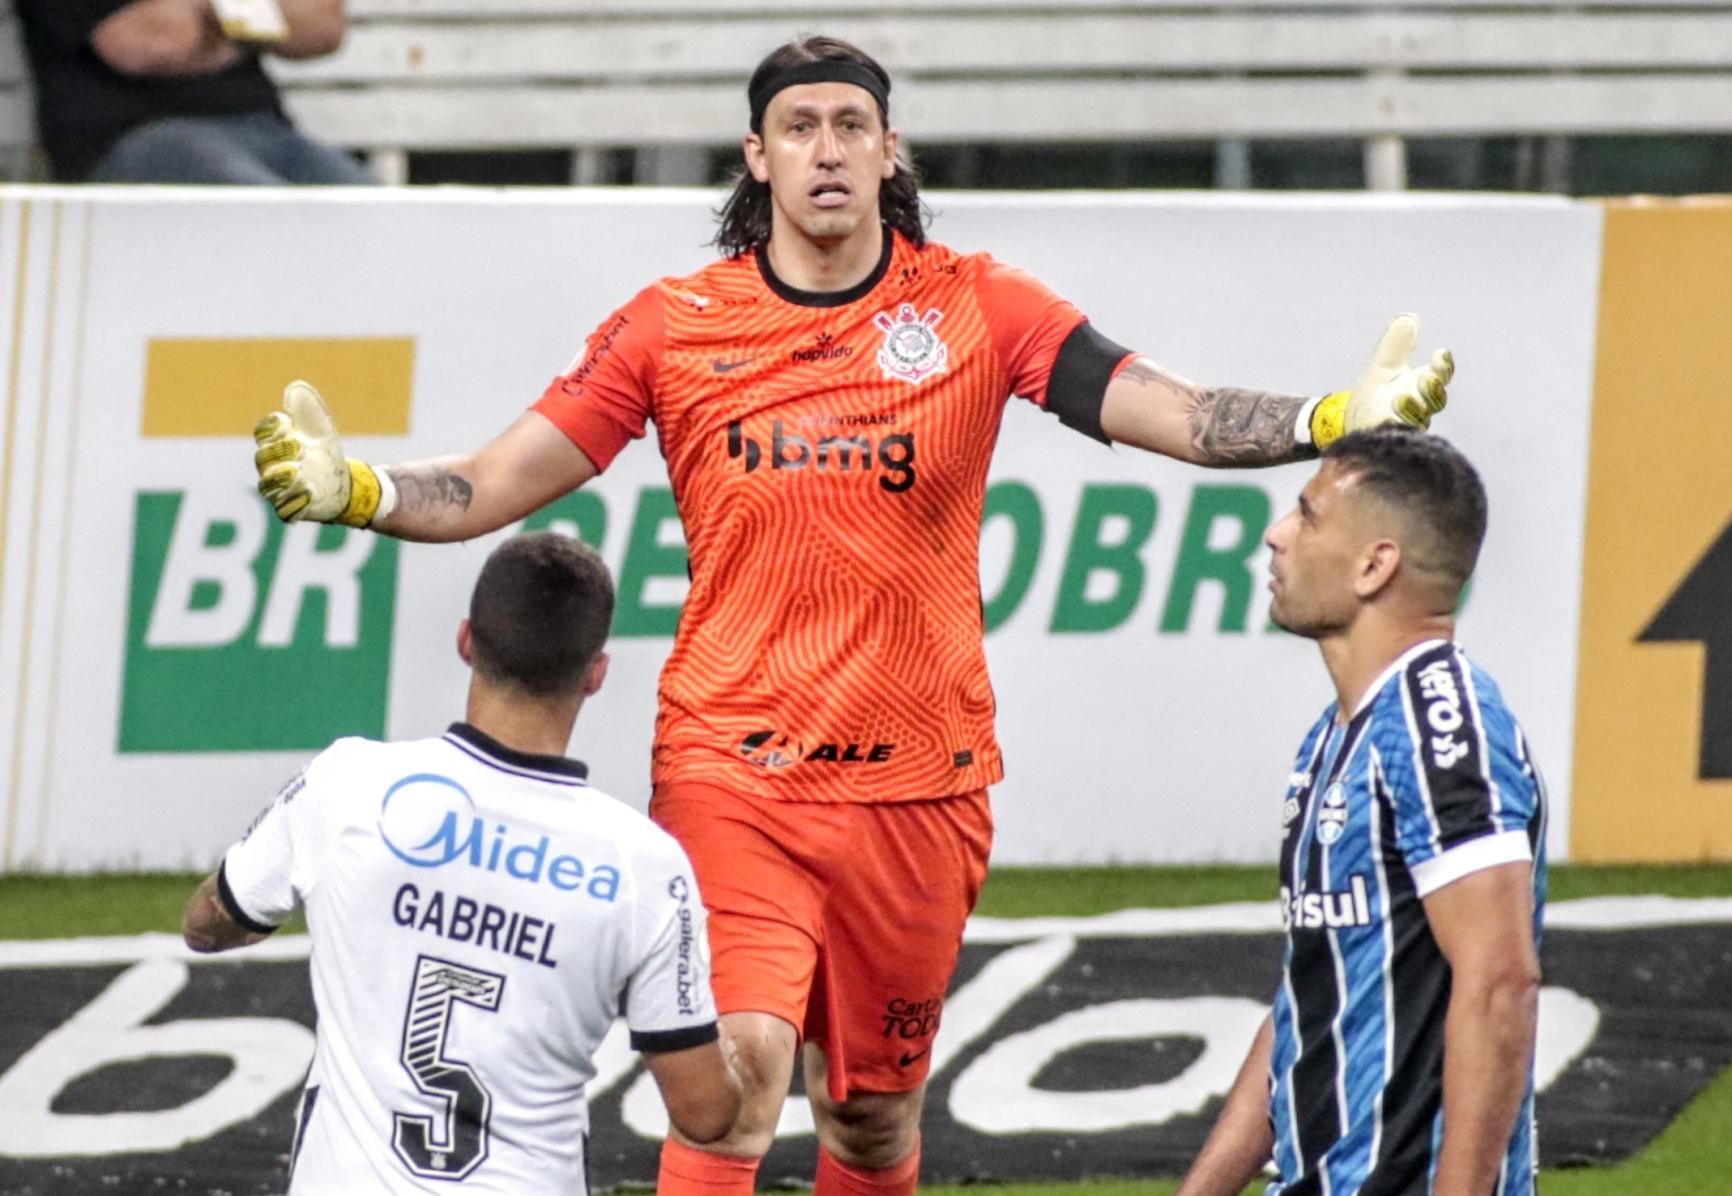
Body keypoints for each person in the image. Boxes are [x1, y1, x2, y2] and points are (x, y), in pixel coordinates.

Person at [247, 35, 1455, 1196]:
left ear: (890, 154)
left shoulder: (980, 308)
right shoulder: (673, 327)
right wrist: (359, 490)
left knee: (869, 1116)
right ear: (755, 158)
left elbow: (1176, 412)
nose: (826, 148)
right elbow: (493, 484)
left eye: (850, 126)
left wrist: (1327, 418)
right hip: (735, 771)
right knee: (735, 1083)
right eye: (798, 127)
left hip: (920, 788)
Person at [180, 533, 740, 1193]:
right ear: (596, 673)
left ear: (467, 640)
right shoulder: (643, 866)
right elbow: (707, 1114)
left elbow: (207, 922)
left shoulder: (349, 784)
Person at [1177, 427, 1547, 1196]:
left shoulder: (1441, 726)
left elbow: (1500, 980)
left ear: (1377, 564)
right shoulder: (1339, 733)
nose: (1276, 536)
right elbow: (1311, 997)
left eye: (1307, 516)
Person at [16, 0, 373, 183]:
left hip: (265, 128)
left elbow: (323, 25)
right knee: (275, 221)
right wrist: (257, 24)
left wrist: (206, 17)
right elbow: (149, 41)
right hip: (131, 135)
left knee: (384, 219)